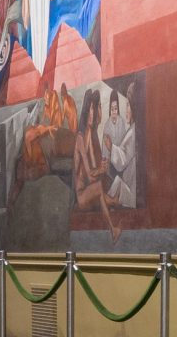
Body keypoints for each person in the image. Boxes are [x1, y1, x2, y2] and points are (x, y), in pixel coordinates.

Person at [8, 83, 78, 206]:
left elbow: (40, 131)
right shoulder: (32, 151)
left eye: (46, 95)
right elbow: (34, 134)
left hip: (53, 145)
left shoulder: (63, 104)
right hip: (49, 147)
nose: (45, 98)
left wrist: (46, 129)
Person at [72, 89, 121, 243]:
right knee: (99, 187)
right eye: (91, 110)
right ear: (86, 112)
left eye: (95, 109)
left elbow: (93, 170)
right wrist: (100, 170)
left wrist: (102, 168)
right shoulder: (80, 138)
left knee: (100, 186)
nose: (93, 114)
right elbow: (89, 173)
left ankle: (112, 201)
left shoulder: (89, 134)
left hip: (87, 190)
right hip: (81, 196)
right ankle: (112, 229)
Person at [102, 84, 138, 208]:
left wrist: (111, 147)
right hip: (113, 165)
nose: (125, 109)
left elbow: (122, 158)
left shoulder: (132, 129)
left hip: (129, 185)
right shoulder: (107, 125)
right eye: (112, 109)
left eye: (128, 105)